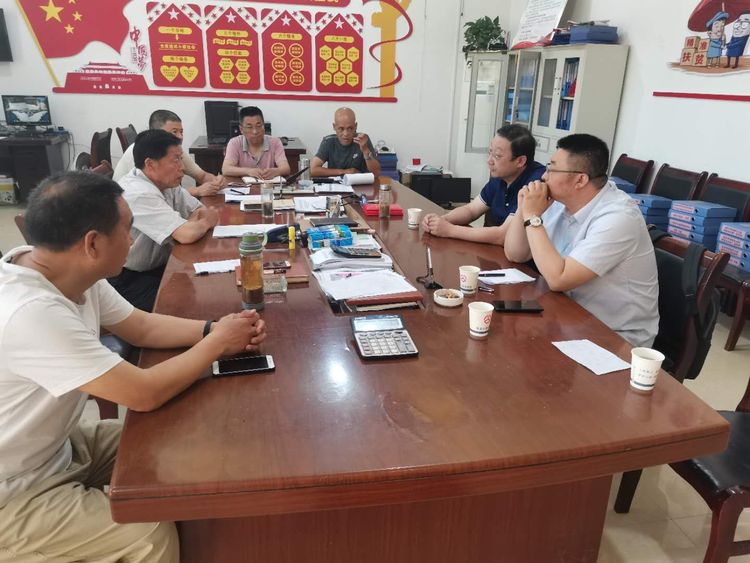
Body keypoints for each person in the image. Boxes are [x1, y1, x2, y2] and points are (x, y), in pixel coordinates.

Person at [0, 171, 266, 562]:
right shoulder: (31, 311)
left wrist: (214, 329)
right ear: (92, 243)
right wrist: (216, 344)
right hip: (15, 491)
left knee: (175, 439)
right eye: (127, 230)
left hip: (57, 449)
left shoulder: (65, 268)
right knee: (148, 534)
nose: (132, 239)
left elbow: (140, 326)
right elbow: (143, 393)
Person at [503, 133, 659, 347]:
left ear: (580, 179)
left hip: (616, 337)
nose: (544, 177)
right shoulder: (560, 200)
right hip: (567, 314)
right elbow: (515, 253)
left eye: (552, 169)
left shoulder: (618, 217)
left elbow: (559, 279)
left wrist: (532, 217)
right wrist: (524, 208)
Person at [109, 129, 219, 312]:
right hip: (131, 280)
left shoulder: (166, 183)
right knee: (195, 306)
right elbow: (187, 234)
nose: (182, 167)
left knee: (211, 288)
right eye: (175, 160)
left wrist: (190, 225)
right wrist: (204, 222)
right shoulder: (138, 193)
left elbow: (198, 210)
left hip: (162, 266)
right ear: (150, 164)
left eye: (181, 159)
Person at [421, 125, 545, 245]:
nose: (489, 161)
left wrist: (449, 230)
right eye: (490, 152)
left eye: (497, 156)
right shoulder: (501, 175)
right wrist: (442, 220)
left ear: (520, 161)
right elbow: (471, 210)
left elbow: (502, 235)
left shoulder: (535, 184)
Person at [113, 109, 225, 197]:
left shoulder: (175, 151)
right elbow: (157, 193)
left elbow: (201, 175)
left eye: (181, 132)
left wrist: (217, 182)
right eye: (174, 132)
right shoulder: (141, 152)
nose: (180, 137)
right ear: (156, 132)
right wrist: (197, 191)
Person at [222, 106, 291, 180]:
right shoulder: (234, 143)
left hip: (268, 185)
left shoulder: (275, 142)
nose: (255, 131)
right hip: (243, 186)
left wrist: (275, 171)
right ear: (241, 129)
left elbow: (286, 168)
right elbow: (226, 169)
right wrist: (249, 171)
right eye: (249, 127)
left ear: (264, 126)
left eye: (259, 126)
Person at [310, 107, 381, 177]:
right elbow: (313, 170)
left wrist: (365, 150)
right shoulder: (329, 141)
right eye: (341, 129)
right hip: (336, 183)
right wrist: (344, 172)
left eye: (350, 128)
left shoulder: (362, 140)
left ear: (355, 126)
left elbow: (376, 173)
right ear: (334, 126)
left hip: (359, 184)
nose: (345, 134)